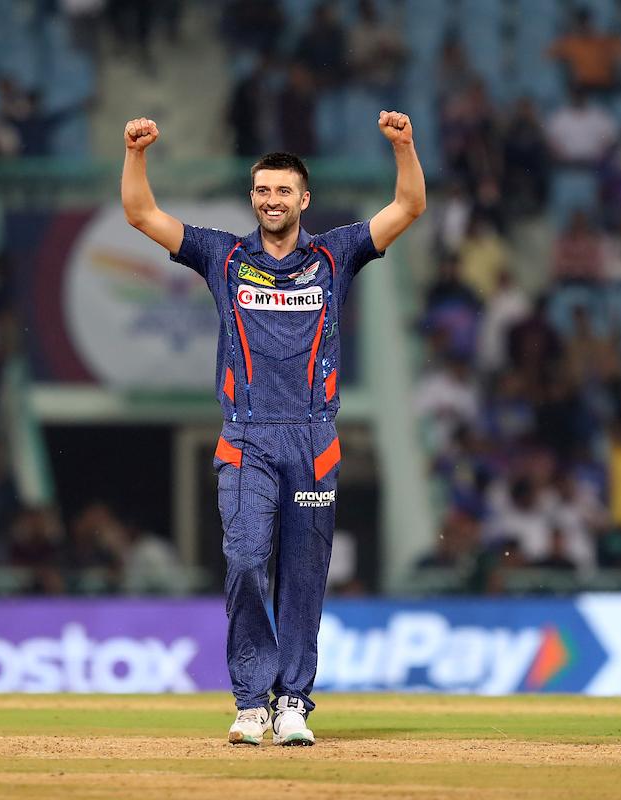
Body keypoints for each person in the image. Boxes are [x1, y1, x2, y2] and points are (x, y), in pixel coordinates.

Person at [120, 110, 424, 745]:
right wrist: (136, 154)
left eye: (283, 190)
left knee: (306, 574)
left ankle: (293, 703)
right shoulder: (221, 256)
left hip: (315, 440)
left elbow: (409, 205)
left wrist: (403, 146)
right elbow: (142, 216)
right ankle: (251, 701)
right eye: (262, 190)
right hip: (247, 439)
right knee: (246, 559)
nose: (271, 200)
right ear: (252, 198)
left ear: (303, 199)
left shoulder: (336, 253)